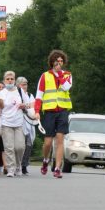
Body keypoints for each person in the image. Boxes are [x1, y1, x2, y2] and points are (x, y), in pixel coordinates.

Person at [35, 50, 72, 179]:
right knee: (48, 142)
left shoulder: (67, 75)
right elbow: (39, 95)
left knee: (60, 140)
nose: (59, 63)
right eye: (57, 61)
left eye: (61, 61)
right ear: (52, 62)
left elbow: (66, 87)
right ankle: (45, 160)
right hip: (49, 111)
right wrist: (36, 111)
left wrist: (59, 75)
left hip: (62, 110)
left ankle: (57, 168)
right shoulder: (45, 76)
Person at [0, 71, 32, 177]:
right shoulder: (2, 92)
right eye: (7, 79)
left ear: (14, 80)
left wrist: (24, 105)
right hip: (6, 122)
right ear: (4, 81)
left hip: (19, 123)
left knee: (20, 147)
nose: (10, 81)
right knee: (9, 147)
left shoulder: (20, 91)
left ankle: (18, 165)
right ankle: (11, 169)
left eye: (11, 79)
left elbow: (30, 104)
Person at [17, 77, 37, 175]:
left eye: (26, 84)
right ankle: (17, 165)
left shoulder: (30, 95)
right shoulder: (16, 94)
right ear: (18, 85)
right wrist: (26, 106)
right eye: (22, 84)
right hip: (19, 123)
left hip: (29, 122)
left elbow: (34, 106)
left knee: (29, 145)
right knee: (20, 145)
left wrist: (25, 106)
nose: (25, 86)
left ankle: (24, 165)